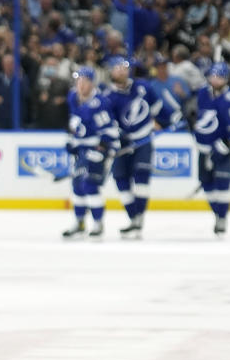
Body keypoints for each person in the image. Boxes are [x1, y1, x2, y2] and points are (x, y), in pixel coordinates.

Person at [101, 56, 182, 239]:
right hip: (122, 144)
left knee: (141, 177)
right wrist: (116, 138)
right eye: (117, 68)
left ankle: (139, 219)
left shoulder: (143, 88)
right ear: (111, 71)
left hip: (143, 140)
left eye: (125, 67)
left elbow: (159, 109)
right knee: (121, 180)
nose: (121, 71)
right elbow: (108, 123)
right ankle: (133, 217)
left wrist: (174, 119)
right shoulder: (107, 97)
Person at [61, 68, 118, 240]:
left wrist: (104, 146)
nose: (81, 84)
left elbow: (110, 130)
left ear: (92, 82)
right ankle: (79, 223)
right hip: (81, 150)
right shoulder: (73, 97)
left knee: (90, 185)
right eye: (79, 81)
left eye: (85, 81)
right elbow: (73, 124)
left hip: (96, 150)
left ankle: (98, 223)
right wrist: (71, 142)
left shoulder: (100, 102)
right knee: (77, 186)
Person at [194, 63, 230, 237]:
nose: (214, 79)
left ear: (225, 79)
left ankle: (222, 218)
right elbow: (200, 117)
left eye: (219, 76)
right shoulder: (203, 93)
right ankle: (217, 212)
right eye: (213, 76)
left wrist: (225, 143)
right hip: (204, 148)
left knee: (223, 183)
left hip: (224, 150)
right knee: (206, 182)